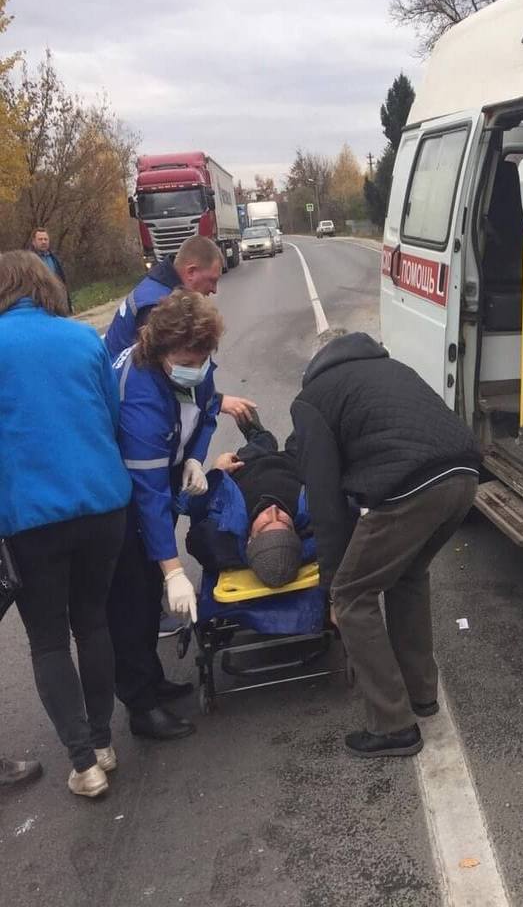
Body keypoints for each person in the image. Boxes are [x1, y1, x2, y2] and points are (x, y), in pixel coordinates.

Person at [291, 331, 481, 759]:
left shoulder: (314, 397)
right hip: (465, 476)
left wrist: (332, 585)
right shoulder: (391, 368)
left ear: (316, 361)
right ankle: (420, 694)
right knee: (408, 576)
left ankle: (393, 725)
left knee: (354, 596)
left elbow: (325, 500)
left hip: (411, 488)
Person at [0, 251, 132, 798]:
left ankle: (84, 765)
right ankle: (102, 740)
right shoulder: (83, 340)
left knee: (49, 640)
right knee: (93, 623)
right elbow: (113, 416)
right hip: (103, 506)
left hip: (31, 520)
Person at [109, 289, 224, 740]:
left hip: (163, 470)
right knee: (133, 600)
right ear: (160, 351)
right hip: (121, 497)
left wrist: (195, 456)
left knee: (148, 585)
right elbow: (149, 495)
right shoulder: (139, 394)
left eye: (202, 354)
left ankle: (152, 681)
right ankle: (140, 705)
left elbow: (209, 410)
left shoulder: (196, 366)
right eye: (186, 355)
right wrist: (175, 568)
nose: (196, 363)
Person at [103, 234, 255, 423]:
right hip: (125, 403)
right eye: (212, 280)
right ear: (191, 272)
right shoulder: (158, 306)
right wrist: (214, 402)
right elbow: (169, 378)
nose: (214, 290)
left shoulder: (159, 288)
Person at [185, 418, 311, 587]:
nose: (273, 510)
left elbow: (189, 506)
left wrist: (216, 472)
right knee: (308, 427)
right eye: (284, 523)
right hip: (293, 463)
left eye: (265, 524)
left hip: (245, 465)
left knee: (263, 440)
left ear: (249, 540)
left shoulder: (223, 533)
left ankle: (255, 430)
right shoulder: (313, 524)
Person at [29, 228, 72, 311]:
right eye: (40, 239)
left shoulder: (54, 258)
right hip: (40, 304)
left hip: (58, 301)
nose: (43, 242)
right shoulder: (29, 261)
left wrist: (68, 304)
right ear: (33, 242)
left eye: (46, 239)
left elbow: (62, 281)